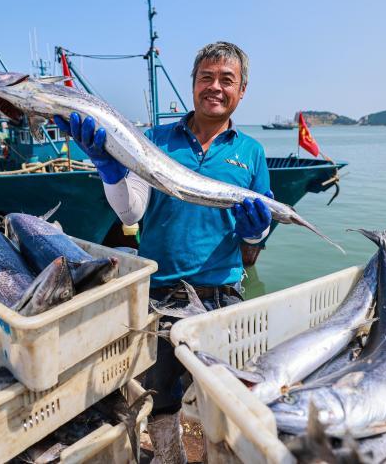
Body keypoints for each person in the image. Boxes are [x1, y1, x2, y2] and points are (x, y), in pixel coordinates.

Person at [55, 41, 272, 464]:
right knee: (162, 396)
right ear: (192, 85)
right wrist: (110, 169)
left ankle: (219, 456)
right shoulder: (153, 139)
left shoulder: (253, 152)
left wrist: (257, 229)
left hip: (222, 296)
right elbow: (132, 210)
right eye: (205, 77)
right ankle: (172, 458)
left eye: (226, 80)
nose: (215, 87)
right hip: (161, 293)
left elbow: (254, 243)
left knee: (224, 396)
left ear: (241, 91)